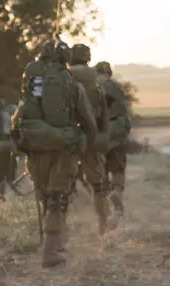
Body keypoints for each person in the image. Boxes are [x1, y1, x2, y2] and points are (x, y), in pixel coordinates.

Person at [17, 40, 96, 267]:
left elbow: (19, 118)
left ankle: (56, 243)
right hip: (63, 149)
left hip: (35, 150)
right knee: (57, 200)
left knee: (45, 197)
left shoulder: (30, 83)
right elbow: (89, 123)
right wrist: (85, 145)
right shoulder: (72, 84)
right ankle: (49, 253)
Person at [69, 44, 113, 233]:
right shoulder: (97, 79)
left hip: (68, 136)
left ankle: (61, 228)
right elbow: (104, 113)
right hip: (92, 136)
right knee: (97, 185)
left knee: (62, 184)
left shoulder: (64, 76)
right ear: (88, 57)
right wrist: (103, 137)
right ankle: (103, 225)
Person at [95, 61, 132, 219]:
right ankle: (116, 190)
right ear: (108, 73)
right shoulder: (116, 88)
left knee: (100, 171)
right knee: (118, 169)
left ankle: (105, 207)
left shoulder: (91, 87)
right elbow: (124, 113)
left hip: (99, 134)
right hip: (116, 133)